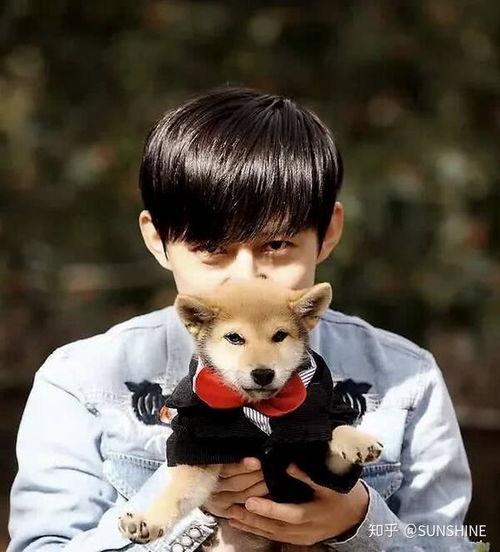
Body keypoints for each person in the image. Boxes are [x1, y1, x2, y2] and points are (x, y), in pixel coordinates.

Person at [7, 86, 472, 552]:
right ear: (157, 239)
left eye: (276, 245)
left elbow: (450, 544)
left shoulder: (407, 379)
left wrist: (358, 522)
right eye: (212, 249)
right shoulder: (81, 380)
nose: (246, 276)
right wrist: (188, 503)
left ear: (328, 233)